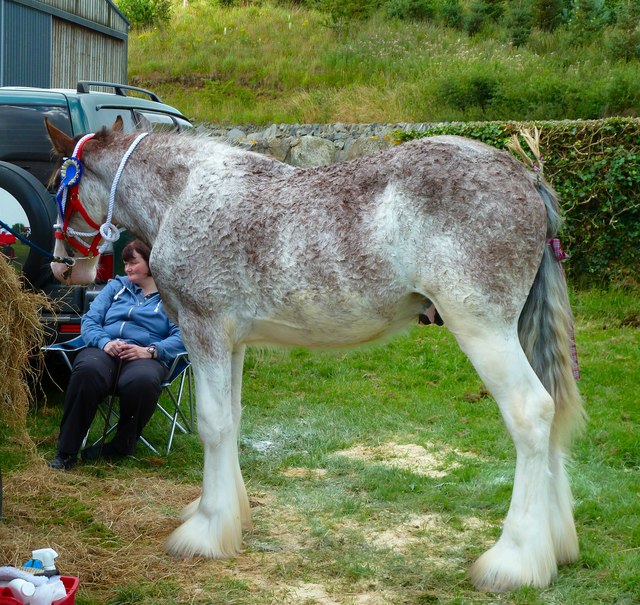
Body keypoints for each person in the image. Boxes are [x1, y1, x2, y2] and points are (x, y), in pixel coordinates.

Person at [48, 239, 186, 470]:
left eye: (133, 263)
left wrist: (151, 351)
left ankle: (122, 445)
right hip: (105, 349)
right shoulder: (116, 287)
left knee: (142, 381)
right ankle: (66, 452)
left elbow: (181, 334)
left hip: (144, 355)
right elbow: (90, 321)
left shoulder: (170, 296)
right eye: (125, 263)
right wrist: (105, 342)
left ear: (152, 263)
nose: (128, 268)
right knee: (88, 371)